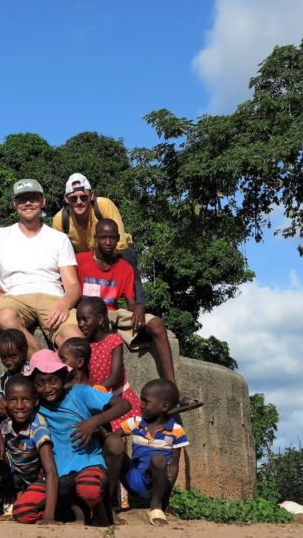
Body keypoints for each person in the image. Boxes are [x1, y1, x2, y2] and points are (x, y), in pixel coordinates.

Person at [75, 219, 196, 413]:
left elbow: (130, 301)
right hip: (85, 312)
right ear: (95, 238)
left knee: (156, 324)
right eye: (103, 237)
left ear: (118, 240)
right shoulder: (81, 261)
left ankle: (174, 392)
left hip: (111, 313)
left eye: (112, 238)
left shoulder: (124, 267)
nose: (107, 242)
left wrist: (138, 307)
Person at [0, 179, 83, 354]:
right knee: (4, 317)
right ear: (14, 203)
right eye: (21, 199)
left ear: (43, 201)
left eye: (33, 198)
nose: (27, 203)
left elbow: (72, 285)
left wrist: (65, 304)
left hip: (52, 297)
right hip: (14, 297)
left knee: (76, 342)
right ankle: (42, 358)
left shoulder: (59, 239)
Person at [27, 350, 129, 526]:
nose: (48, 389)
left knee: (89, 488)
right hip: (56, 476)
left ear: (63, 378)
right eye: (40, 384)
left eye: (53, 381)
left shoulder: (79, 393)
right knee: (24, 511)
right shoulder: (34, 404)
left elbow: (124, 404)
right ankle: (74, 507)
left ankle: (103, 504)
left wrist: (93, 422)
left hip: (87, 464)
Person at [52, 173, 142, 304]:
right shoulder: (60, 219)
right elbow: (58, 255)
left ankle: (138, 305)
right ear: (66, 199)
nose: (79, 202)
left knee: (127, 255)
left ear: (92, 195)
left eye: (83, 197)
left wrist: (103, 266)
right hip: (85, 258)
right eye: (73, 199)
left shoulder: (103, 205)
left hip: (114, 252)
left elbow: (120, 242)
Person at [116, 379, 189, 526]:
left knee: (158, 458)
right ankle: (107, 504)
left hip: (157, 484)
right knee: (112, 444)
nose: (140, 405)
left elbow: (174, 466)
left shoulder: (176, 431)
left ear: (164, 406)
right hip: (134, 479)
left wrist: (166, 499)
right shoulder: (135, 422)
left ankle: (156, 506)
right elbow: (112, 439)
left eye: (146, 401)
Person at [76, 297, 142, 429]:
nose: (81, 324)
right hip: (99, 401)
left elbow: (115, 376)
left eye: (85, 319)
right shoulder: (84, 345)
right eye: (79, 320)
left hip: (120, 397)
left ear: (100, 319)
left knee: (123, 435)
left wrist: (98, 390)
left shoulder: (114, 340)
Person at [4, 376, 60, 525]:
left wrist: (49, 517)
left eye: (26, 400)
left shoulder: (39, 428)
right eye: (13, 400)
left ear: (35, 401)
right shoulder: (7, 420)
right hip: (17, 478)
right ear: (6, 402)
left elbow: (51, 472)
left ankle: (55, 509)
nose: (19, 405)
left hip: (37, 480)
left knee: (22, 513)